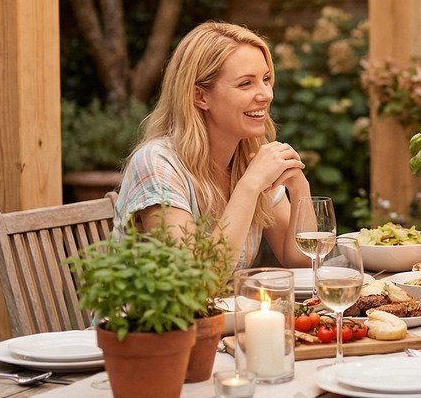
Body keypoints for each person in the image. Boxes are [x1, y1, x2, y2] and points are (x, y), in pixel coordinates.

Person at [113, 21, 314, 270]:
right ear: (200, 96)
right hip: (156, 310)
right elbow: (193, 279)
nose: (266, 94)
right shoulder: (157, 164)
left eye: (265, 79)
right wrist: (250, 185)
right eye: (245, 83)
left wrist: (299, 188)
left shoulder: (248, 159)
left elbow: (303, 262)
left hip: (225, 309)